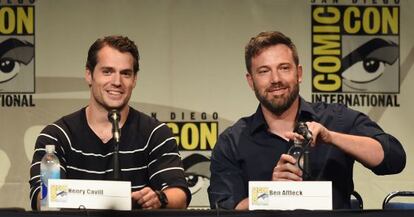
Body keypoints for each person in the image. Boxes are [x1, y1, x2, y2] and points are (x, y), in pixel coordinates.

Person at [208, 31, 406, 210]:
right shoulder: (231, 142)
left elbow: (394, 158)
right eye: (264, 71)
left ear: (299, 73)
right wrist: (272, 194)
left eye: (284, 68)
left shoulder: (335, 118)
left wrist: (332, 137)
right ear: (251, 81)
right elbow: (225, 209)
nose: (275, 79)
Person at [29, 35, 191, 210]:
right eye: (107, 71)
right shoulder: (57, 136)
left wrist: (159, 198)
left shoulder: (155, 133)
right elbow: (42, 199)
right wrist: (103, 198)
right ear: (89, 75)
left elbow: (179, 195)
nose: (117, 82)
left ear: (134, 79)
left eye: (126, 73)